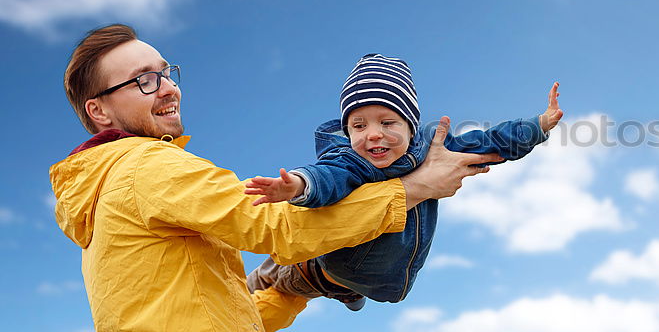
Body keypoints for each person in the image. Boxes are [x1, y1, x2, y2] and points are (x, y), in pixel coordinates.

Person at [49, 24, 500, 332]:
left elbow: (223, 317)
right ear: (99, 110)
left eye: (166, 73)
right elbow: (278, 227)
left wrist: (294, 289)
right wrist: (415, 188)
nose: (168, 87)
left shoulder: (101, 194)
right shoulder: (145, 168)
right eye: (144, 80)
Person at [244, 54, 563, 310]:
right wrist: (298, 185)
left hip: (369, 275)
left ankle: (350, 292)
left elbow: (488, 142)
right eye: (358, 125)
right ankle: (260, 285)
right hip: (311, 270)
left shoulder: (434, 151)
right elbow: (328, 175)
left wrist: (538, 125)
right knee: (262, 284)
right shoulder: (354, 161)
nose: (372, 134)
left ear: (410, 127)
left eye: (387, 122)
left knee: (349, 284)